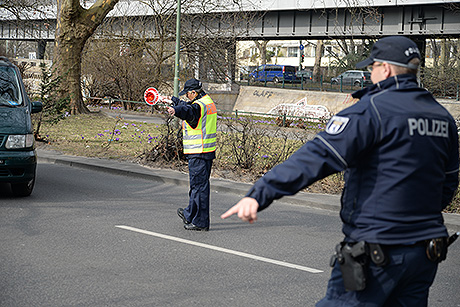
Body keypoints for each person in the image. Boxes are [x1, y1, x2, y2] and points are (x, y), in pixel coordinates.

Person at [221, 36, 459, 305]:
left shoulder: (372, 111)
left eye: (372, 68)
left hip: (378, 252)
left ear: (386, 69)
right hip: (425, 253)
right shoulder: (442, 118)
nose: (370, 74)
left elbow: (318, 157)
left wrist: (259, 193)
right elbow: (448, 184)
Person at [161, 78, 217, 231]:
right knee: (197, 187)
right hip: (205, 151)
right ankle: (189, 214)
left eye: (188, 94)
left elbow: (189, 111)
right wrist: (172, 100)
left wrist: (176, 111)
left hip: (198, 151)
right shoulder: (206, 101)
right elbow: (188, 106)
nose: (186, 96)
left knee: (199, 188)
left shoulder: (199, 106)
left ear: (194, 92)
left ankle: (200, 222)